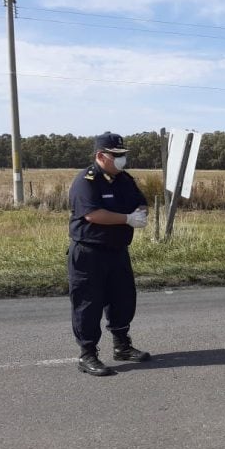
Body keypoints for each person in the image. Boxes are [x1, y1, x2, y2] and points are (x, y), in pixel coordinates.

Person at [68, 131, 151, 376]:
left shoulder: (125, 179)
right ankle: (87, 354)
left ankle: (122, 345)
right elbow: (92, 214)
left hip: (117, 251)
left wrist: (140, 213)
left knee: (123, 299)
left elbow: (141, 202)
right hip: (89, 253)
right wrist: (126, 218)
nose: (121, 159)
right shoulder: (87, 180)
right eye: (116, 156)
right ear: (100, 156)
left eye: (123, 155)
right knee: (88, 304)